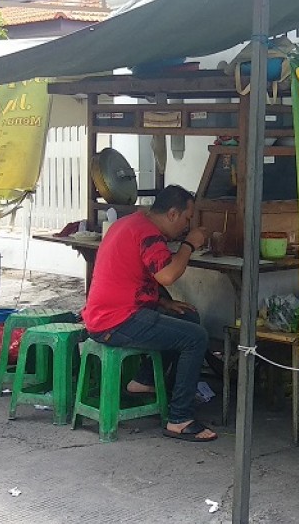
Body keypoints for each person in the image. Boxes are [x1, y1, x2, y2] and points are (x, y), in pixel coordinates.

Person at [80, 185, 215, 442]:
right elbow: (167, 274)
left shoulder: (130, 223)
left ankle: (144, 381)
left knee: (187, 317)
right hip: (116, 320)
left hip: (108, 313)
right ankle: (180, 418)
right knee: (196, 337)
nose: (187, 225)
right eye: (187, 219)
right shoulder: (147, 233)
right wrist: (189, 244)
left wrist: (163, 304)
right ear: (173, 214)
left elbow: (132, 276)